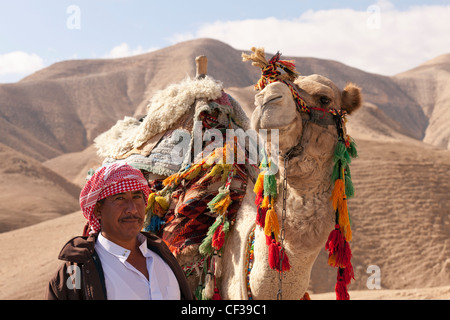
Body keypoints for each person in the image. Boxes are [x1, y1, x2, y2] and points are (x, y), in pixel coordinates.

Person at [46, 163, 193, 300]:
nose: (132, 209)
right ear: (98, 210)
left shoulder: (162, 255)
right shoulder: (76, 273)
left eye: (137, 197)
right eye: (120, 198)